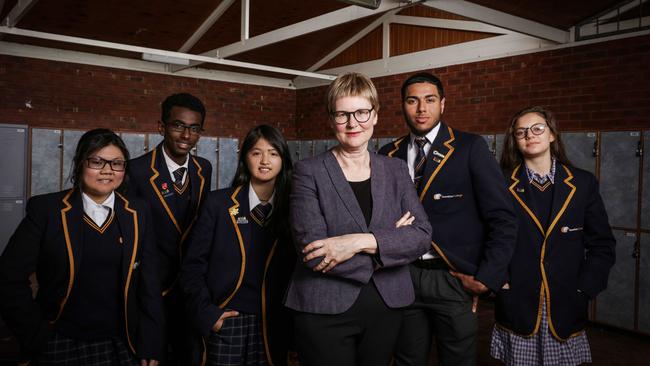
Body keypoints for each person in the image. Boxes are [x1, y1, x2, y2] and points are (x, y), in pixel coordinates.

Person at [284, 72, 432, 366]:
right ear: (331, 119)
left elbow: (422, 235)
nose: (353, 124)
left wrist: (357, 242)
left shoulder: (396, 170)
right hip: (323, 309)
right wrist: (391, 245)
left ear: (375, 115)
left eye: (362, 112)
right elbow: (313, 252)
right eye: (342, 114)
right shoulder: (307, 171)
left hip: (386, 307)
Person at [378, 72, 517, 366]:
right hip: (403, 275)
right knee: (406, 359)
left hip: (452, 278)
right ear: (402, 106)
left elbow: (503, 217)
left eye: (429, 100)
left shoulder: (470, 148)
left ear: (443, 104)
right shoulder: (387, 154)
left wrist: (486, 278)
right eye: (412, 101)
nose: (421, 109)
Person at [0, 128, 163, 365]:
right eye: (97, 161)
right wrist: (36, 335)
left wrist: (150, 342)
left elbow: (149, 282)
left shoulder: (138, 211)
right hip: (61, 339)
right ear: (79, 164)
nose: (107, 170)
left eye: (117, 163)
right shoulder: (47, 210)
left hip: (121, 340)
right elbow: (8, 277)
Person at [490, 106, 616, 365]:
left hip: (567, 299)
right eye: (521, 132)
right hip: (518, 300)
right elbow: (488, 237)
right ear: (514, 140)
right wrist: (499, 282)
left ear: (551, 135)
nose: (530, 135)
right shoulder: (501, 183)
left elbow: (602, 244)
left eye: (537, 128)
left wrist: (585, 288)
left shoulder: (582, 183)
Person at [180, 125, 294, 365]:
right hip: (226, 320)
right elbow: (191, 267)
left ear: (283, 160)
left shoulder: (295, 209)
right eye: (256, 153)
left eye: (273, 153)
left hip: (273, 323)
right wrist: (210, 314)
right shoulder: (218, 204)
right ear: (245, 158)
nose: (265, 161)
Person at [128, 92, 212, 365]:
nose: (186, 135)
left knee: (189, 353)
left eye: (194, 128)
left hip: (190, 285)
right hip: (153, 286)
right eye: (178, 125)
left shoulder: (203, 169)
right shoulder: (137, 171)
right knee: (153, 354)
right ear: (161, 127)